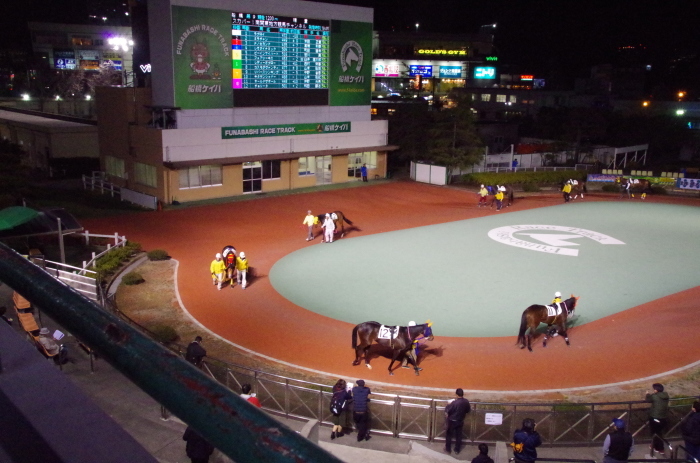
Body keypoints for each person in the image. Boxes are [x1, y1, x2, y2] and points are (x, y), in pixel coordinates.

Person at [444, 388, 471, 455]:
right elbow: (468, 410)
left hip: (452, 421)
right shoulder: (466, 401)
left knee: (449, 435)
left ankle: (448, 449)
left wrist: (448, 404)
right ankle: (457, 450)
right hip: (460, 420)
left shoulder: (454, 403)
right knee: (458, 435)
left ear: (456, 395)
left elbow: (448, 410)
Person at [645, 383, 669, 455]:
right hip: (663, 417)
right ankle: (654, 445)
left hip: (655, 417)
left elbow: (648, 399)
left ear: (656, 390)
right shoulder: (666, 396)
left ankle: (660, 448)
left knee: (656, 433)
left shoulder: (655, 396)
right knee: (659, 433)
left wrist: (647, 394)